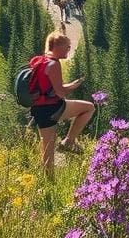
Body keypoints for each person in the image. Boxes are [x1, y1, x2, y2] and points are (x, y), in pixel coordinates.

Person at [28, 30, 95, 177]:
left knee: (47, 147)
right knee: (89, 108)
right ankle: (69, 141)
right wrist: (75, 85)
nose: (68, 49)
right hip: (54, 107)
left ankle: (48, 181)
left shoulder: (42, 61)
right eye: (67, 46)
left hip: (39, 109)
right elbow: (60, 92)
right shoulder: (54, 64)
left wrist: (68, 85)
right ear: (57, 46)